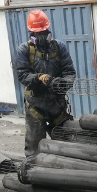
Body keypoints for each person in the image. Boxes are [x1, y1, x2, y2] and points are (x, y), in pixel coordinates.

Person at [15, 10, 76, 157]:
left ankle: (65, 171)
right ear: (32, 33)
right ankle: (34, 172)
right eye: (38, 32)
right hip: (35, 105)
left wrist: (61, 84)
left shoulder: (59, 47)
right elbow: (23, 75)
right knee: (34, 148)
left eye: (43, 31)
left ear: (48, 29)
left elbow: (69, 72)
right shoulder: (24, 50)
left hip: (57, 105)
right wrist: (38, 77)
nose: (41, 35)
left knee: (64, 145)